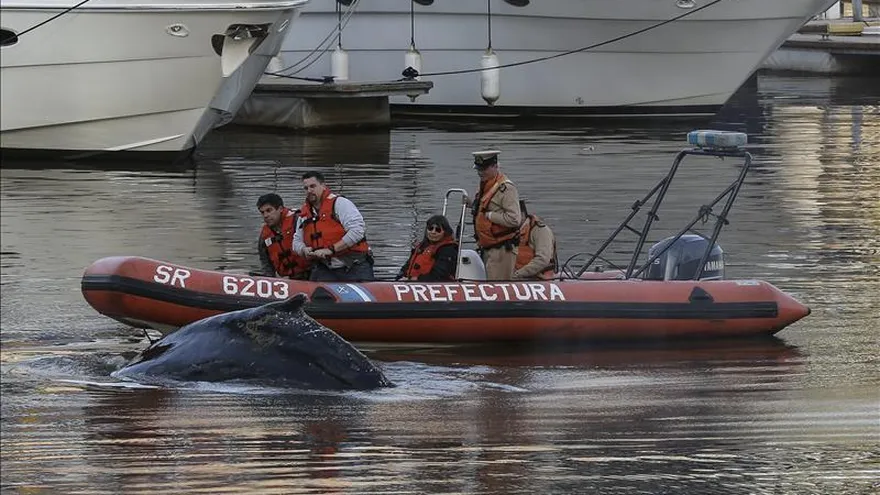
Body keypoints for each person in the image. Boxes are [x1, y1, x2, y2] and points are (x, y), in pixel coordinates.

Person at [293, 171, 375, 281]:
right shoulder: (304, 213)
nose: (309, 191)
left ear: (323, 186)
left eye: (313, 186)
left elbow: (357, 230)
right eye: (306, 188)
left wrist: (331, 249)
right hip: (325, 267)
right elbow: (296, 242)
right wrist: (303, 250)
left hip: (353, 265)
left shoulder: (340, 204)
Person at [470, 149, 521, 280]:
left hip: (502, 250)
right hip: (488, 247)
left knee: (497, 288)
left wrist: (489, 216)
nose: (480, 173)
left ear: (495, 166)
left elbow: (514, 219)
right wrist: (471, 204)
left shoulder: (506, 189)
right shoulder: (486, 185)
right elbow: (484, 206)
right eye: (478, 169)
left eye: (484, 169)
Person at [255, 193, 310, 279]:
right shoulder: (264, 236)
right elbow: (266, 263)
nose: (265, 215)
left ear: (280, 209)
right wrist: (269, 280)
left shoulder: (297, 220)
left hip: (311, 273)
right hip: (288, 279)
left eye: (269, 210)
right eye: (262, 212)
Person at [397, 215, 459, 282]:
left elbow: (440, 274)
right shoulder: (421, 246)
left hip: (432, 284)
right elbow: (406, 266)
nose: (433, 232)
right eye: (430, 228)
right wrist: (400, 277)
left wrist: (417, 279)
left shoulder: (448, 250)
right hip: (412, 283)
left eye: (438, 230)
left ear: (445, 232)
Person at [513, 200, 558, 280]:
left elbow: (542, 259)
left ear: (522, 214)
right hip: (519, 277)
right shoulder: (510, 232)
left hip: (539, 278)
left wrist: (517, 274)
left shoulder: (540, 231)